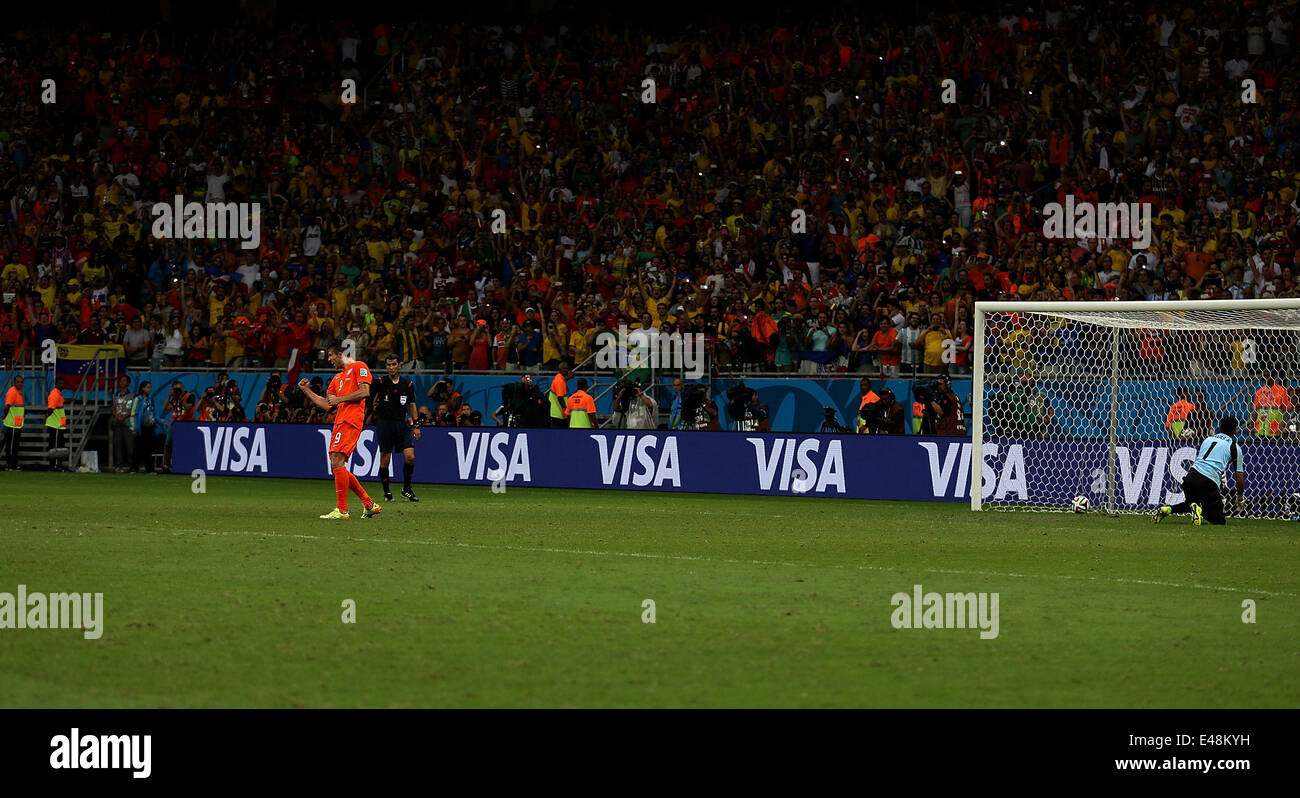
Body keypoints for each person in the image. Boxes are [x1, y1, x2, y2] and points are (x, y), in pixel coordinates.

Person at [298, 343, 380, 520]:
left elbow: (365, 392)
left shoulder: (359, 367)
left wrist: (340, 399)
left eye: (331, 355)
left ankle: (342, 510)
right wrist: (307, 391)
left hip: (351, 420)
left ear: (341, 354)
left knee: (336, 461)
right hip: (340, 422)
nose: (329, 359)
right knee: (337, 464)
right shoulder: (336, 379)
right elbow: (328, 404)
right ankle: (368, 504)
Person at [1153, 416, 1245, 526]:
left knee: (1190, 504)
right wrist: (1239, 498)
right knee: (1219, 521)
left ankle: (1167, 510)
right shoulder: (1234, 447)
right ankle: (1200, 511)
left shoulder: (1208, 440)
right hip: (1208, 482)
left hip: (1191, 478)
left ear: (1219, 428)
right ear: (1235, 431)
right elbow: (1239, 480)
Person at [369, 354, 421, 502]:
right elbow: (369, 396)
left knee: (410, 457)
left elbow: (412, 405)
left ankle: (407, 489)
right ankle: (387, 493)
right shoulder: (379, 382)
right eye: (388, 365)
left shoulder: (407, 384)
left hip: (402, 424)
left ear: (399, 365)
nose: (391, 367)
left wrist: (416, 425)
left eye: (393, 364)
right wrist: (373, 407)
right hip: (385, 424)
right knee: (385, 460)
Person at [1251, 372, 1292, 437]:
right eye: (1264, 375)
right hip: (1260, 432)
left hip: (1275, 432)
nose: (1265, 377)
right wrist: (1251, 427)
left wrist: (1283, 426)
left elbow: (1288, 411)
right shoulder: (1259, 392)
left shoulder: (1281, 391)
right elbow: (1255, 412)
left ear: (1274, 376)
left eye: (1267, 375)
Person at [130, 380, 158, 473]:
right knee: (138, 448)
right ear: (142, 388)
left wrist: (160, 422)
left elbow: (152, 413)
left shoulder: (150, 400)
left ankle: (149, 469)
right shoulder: (138, 399)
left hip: (149, 427)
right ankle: (134, 468)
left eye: (150, 387)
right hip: (140, 427)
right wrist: (133, 428)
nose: (150, 389)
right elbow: (133, 414)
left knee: (148, 449)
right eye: (148, 387)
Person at [111, 375, 134, 472]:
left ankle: (131, 466)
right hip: (117, 423)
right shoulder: (116, 395)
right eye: (121, 380)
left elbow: (132, 408)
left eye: (124, 380)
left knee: (130, 446)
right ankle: (118, 466)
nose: (121, 382)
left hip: (127, 423)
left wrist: (124, 417)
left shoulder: (132, 395)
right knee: (118, 445)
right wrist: (117, 416)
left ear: (128, 383)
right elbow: (113, 407)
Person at [2, 375, 24, 470]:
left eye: (21, 382)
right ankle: (10, 464)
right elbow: (7, 406)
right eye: (18, 382)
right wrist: (5, 415)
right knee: (11, 445)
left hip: (16, 424)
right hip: (12, 424)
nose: (20, 383)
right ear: (14, 382)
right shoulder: (12, 392)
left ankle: (13, 464)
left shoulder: (18, 392)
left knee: (14, 445)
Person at [45, 377, 68, 470]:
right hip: (55, 425)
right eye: (60, 383)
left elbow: (60, 402)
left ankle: (56, 464)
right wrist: (47, 415)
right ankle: (54, 465)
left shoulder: (58, 394)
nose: (61, 385)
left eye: (63, 383)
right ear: (56, 384)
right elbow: (51, 408)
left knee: (57, 446)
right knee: (55, 447)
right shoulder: (55, 394)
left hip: (58, 424)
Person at [548, 360, 571, 428]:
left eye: (567, 368)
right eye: (564, 368)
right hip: (558, 414)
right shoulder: (559, 380)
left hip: (557, 413)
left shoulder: (560, 378)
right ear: (559, 369)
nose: (566, 370)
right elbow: (560, 397)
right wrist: (566, 411)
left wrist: (567, 378)